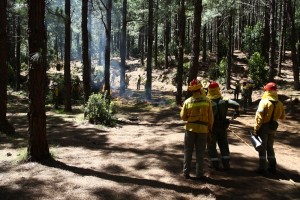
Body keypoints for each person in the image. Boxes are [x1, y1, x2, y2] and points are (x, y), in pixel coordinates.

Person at [180, 79, 214, 180]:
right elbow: (211, 118)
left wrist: (189, 118)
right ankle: (199, 174)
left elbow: (183, 117)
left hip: (190, 129)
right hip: (203, 130)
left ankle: (186, 172)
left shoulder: (187, 101)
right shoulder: (207, 100)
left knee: (188, 151)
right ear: (200, 89)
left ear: (191, 90)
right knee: (200, 152)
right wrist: (210, 130)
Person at [253, 82, 285, 175]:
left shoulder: (264, 102)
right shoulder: (280, 103)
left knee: (262, 148)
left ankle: (262, 169)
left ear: (268, 91)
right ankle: (272, 167)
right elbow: (282, 117)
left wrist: (256, 129)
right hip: (273, 127)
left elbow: (259, 118)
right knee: (270, 147)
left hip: (264, 127)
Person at [206, 82, 240, 171]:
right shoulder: (224, 100)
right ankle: (226, 164)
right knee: (224, 145)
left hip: (212, 127)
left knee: (211, 145)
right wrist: (236, 113)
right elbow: (236, 105)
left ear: (209, 90)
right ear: (218, 89)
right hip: (222, 126)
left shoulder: (207, 101)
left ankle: (215, 164)